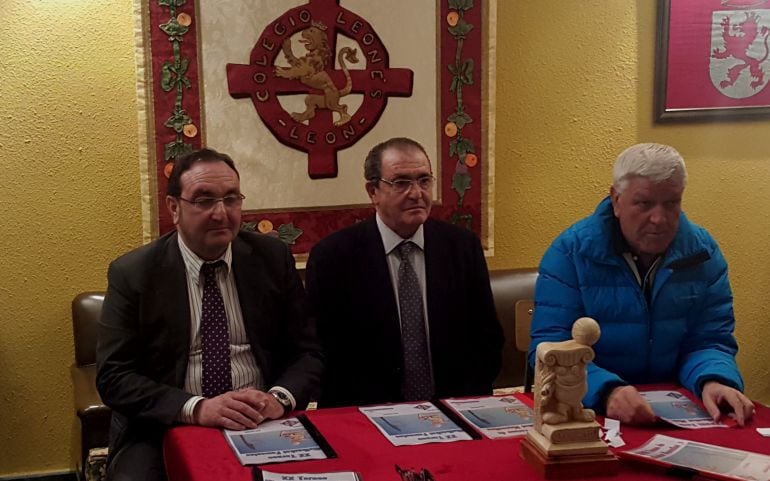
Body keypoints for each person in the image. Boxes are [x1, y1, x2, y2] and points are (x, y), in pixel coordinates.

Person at [96, 148, 322, 481]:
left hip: (263, 420)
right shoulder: (134, 273)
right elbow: (114, 376)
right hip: (165, 423)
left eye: (231, 199)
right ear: (174, 208)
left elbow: (308, 352)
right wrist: (198, 408)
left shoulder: (271, 259)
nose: (221, 213)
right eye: (204, 200)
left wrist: (278, 399)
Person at [529, 143, 754, 426]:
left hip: (677, 410)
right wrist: (607, 391)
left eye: (671, 203)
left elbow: (709, 340)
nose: (659, 219)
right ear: (616, 200)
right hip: (590, 409)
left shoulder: (702, 253)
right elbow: (550, 348)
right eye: (644, 204)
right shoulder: (571, 253)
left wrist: (713, 380)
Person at [305, 137, 503, 407]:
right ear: (373, 191)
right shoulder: (333, 256)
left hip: (455, 408)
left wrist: (462, 406)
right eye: (401, 183)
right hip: (366, 413)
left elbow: (487, 340)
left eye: (424, 180)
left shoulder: (462, 247)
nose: (416, 193)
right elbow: (325, 353)